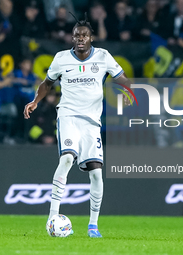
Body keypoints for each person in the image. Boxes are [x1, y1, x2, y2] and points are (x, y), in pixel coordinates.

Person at [23, 13, 132, 238]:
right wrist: (35, 101)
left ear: (91, 37)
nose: (80, 38)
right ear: (72, 38)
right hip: (68, 116)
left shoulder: (103, 56)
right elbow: (47, 83)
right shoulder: (61, 58)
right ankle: (53, 216)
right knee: (67, 158)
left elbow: (121, 78)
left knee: (96, 175)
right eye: (76, 35)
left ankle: (93, 225)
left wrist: (128, 90)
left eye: (84, 35)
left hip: (92, 122)